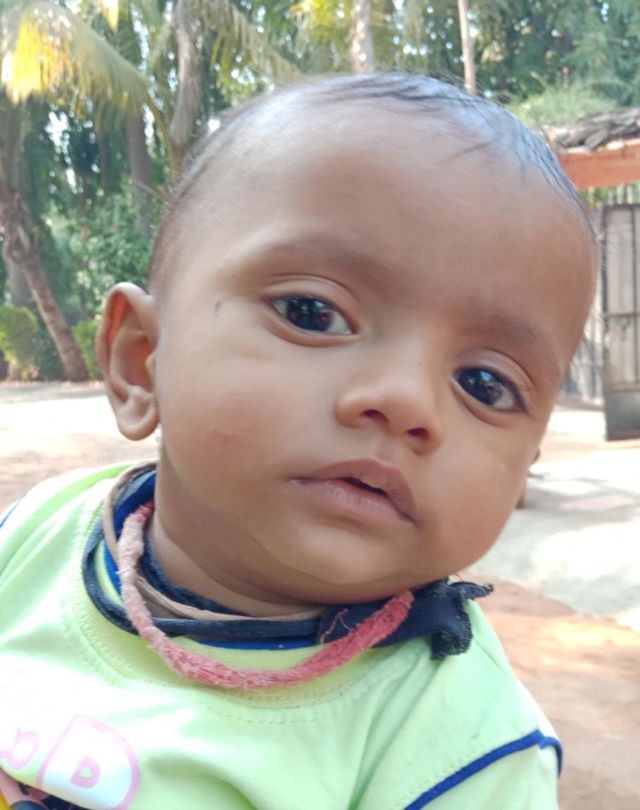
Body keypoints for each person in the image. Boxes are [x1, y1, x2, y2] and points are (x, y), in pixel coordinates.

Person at [0, 73, 596, 810]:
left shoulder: (462, 750)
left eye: (485, 384)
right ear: (142, 362)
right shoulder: (37, 536)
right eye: (313, 312)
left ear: (527, 462)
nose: (407, 401)